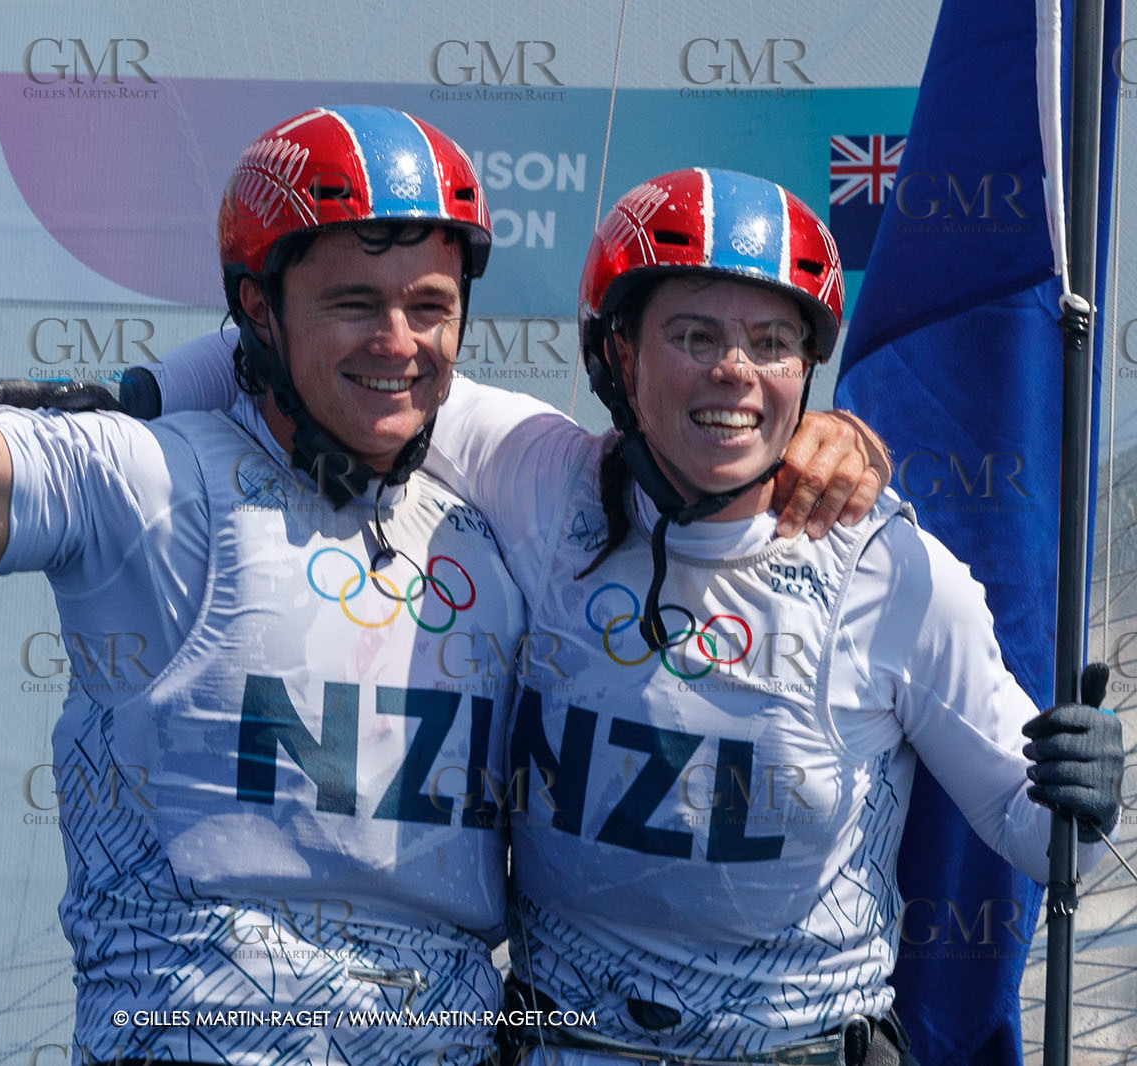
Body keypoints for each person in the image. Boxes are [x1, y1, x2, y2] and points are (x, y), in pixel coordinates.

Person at [0, 104, 886, 1065]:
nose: (400, 343)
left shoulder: (508, 489)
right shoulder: (140, 479)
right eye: (354, 303)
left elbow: (705, 467)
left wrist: (835, 446)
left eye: (430, 306)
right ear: (258, 308)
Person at [126, 168, 1125, 1066]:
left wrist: (1080, 799)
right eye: (694, 336)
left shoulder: (891, 569)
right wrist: (131, 395)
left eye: (770, 343)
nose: (734, 369)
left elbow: (1042, 840)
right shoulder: (539, 474)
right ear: (616, 356)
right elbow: (295, 343)